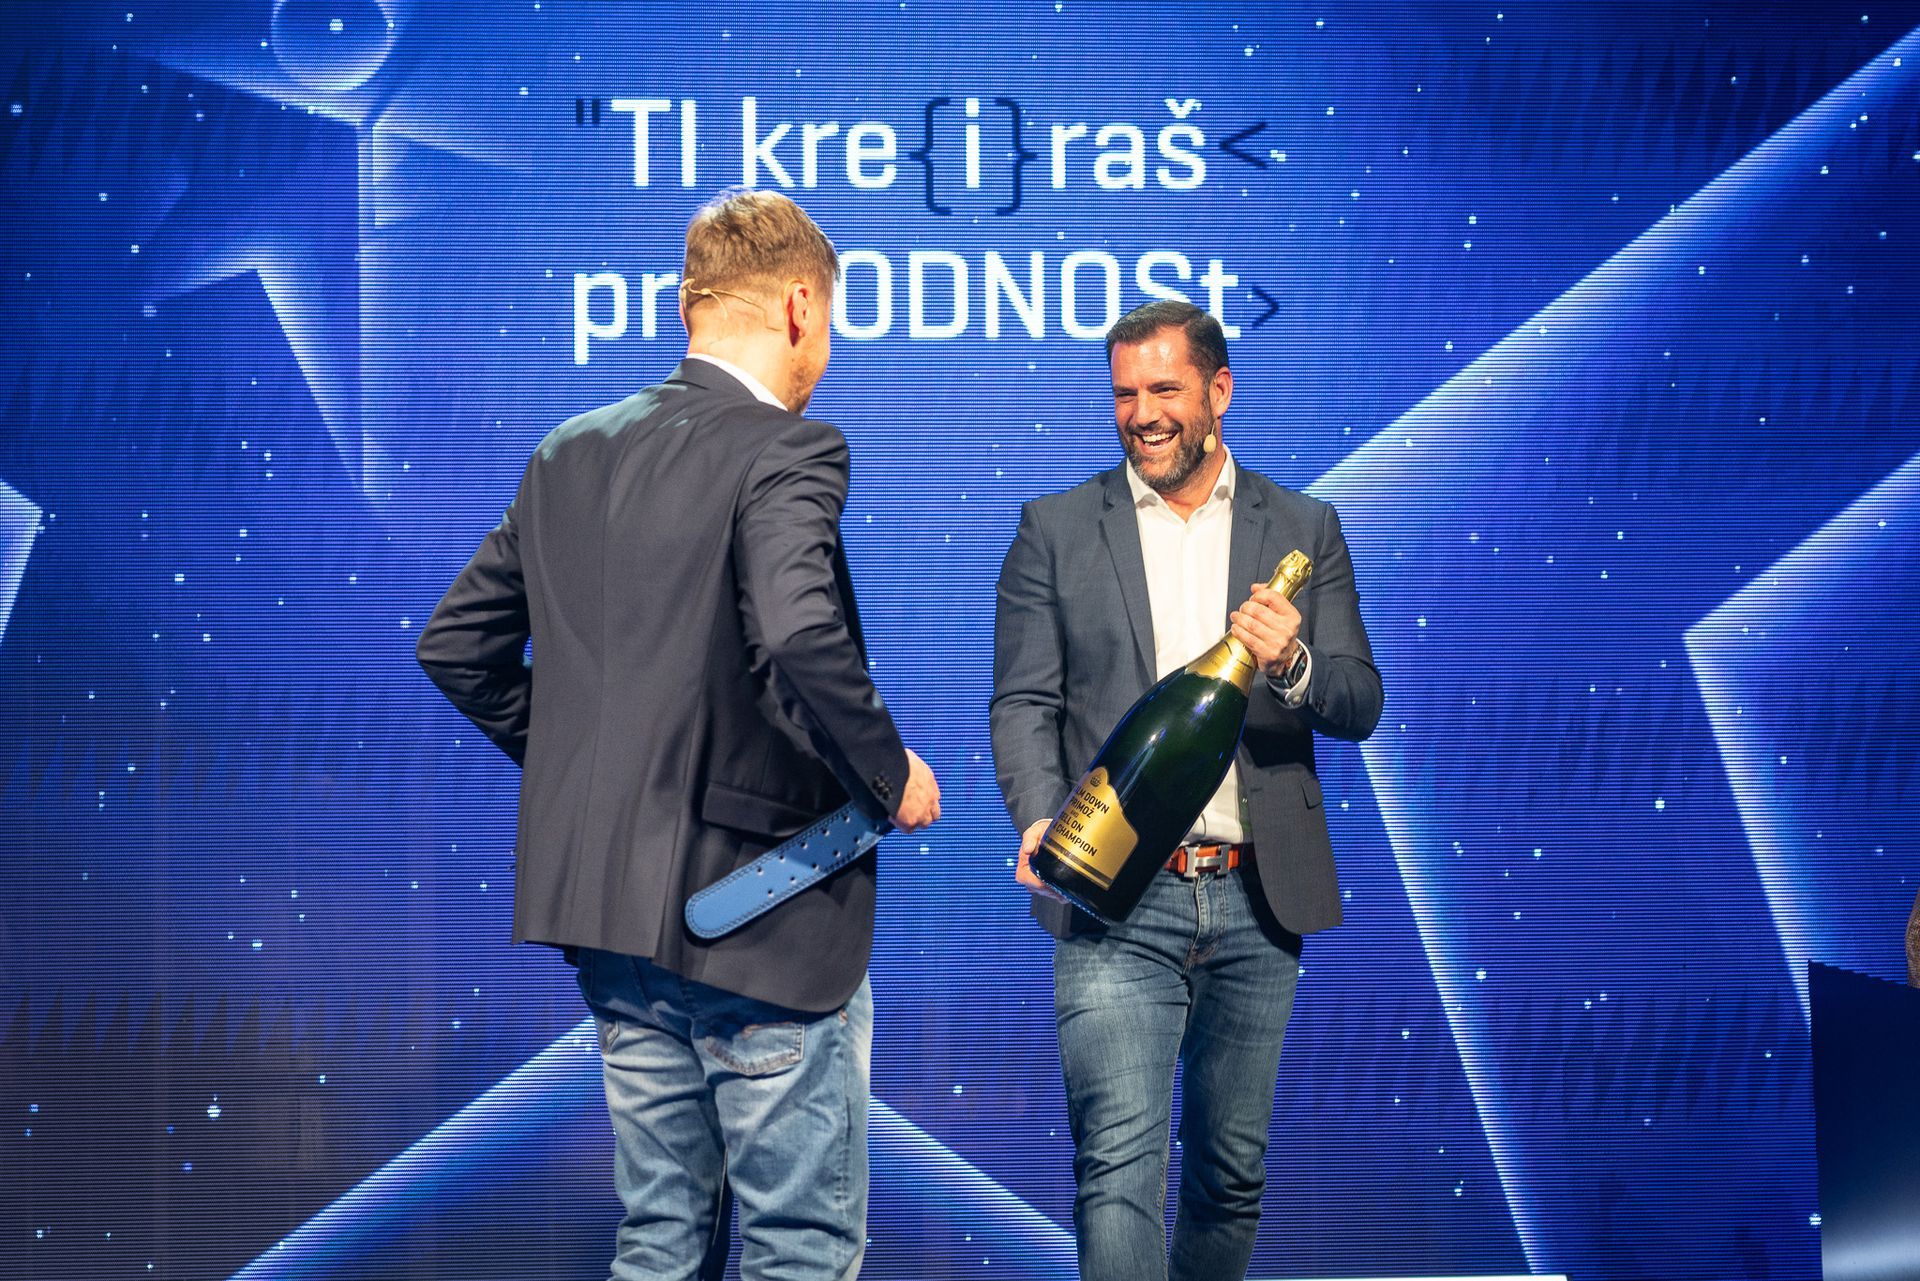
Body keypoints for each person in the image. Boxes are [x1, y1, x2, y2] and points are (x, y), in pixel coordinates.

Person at [417, 187, 939, 1281]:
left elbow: (457, 647)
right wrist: (890, 773)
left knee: (659, 1241)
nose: (826, 352)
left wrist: (600, 764)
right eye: (830, 324)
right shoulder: (788, 447)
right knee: (799, 1249)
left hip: (611, 921)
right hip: (762, 914)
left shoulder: (570, 451)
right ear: (799, 306)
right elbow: (797, 632)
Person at [990, 299, 1383, 1281]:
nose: (1143, 414)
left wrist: (1292, 664)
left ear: (1219, 391)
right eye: (1125, 394)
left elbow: (1358, 699)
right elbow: (1024, 702)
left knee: (1228, 1175)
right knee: (1117, 1165)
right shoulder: (1054, 529)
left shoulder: (1304, 526)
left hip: (1259, 897)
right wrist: (1041, 816)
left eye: (1164, 389)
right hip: (1113, 897)